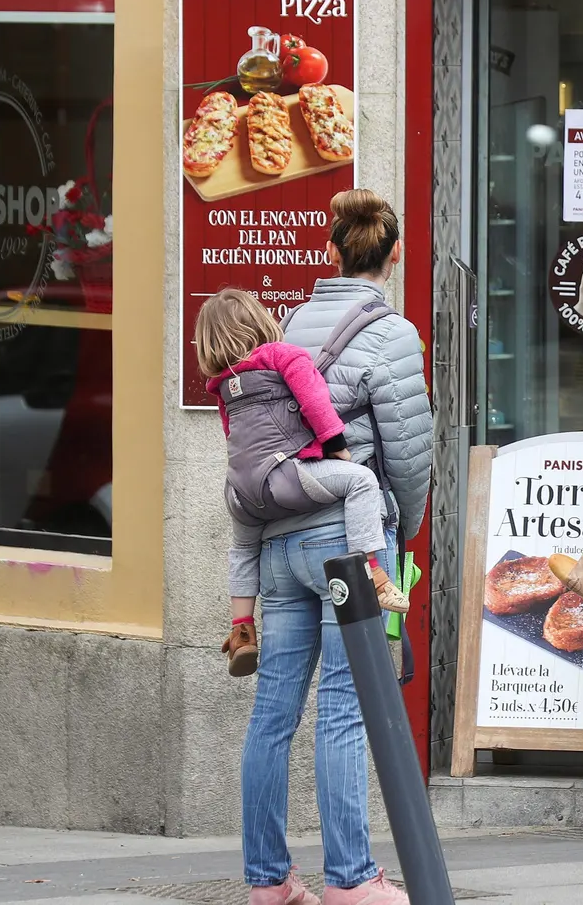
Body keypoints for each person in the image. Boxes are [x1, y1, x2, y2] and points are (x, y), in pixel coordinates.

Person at [240, 189, 433, 905]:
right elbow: (410, 456)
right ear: (397, 252)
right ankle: (351, 878)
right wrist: (398, 530)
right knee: (345, 709)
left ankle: (268, 881)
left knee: (272, 711)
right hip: (348, 544)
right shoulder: (394, 335)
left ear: (328, 250)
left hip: (279, 536)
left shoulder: (290, 322)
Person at [197, 288, 410, 676]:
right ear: (259, 321)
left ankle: (242, 629)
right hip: (288, 477)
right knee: (361, 482)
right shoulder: (284, 355)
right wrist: (336, 447)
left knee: (243, 549)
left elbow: (233, 438)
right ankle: (373, 573)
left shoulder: (222, 387)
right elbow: (315, 402)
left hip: (242, 492)